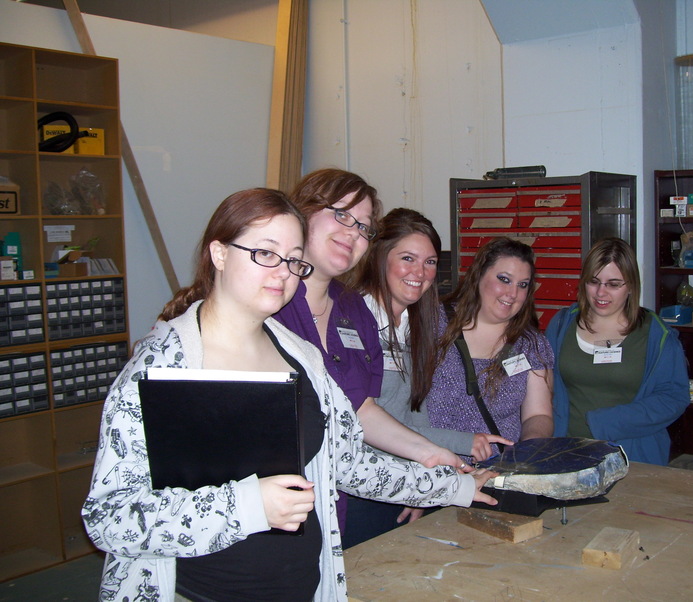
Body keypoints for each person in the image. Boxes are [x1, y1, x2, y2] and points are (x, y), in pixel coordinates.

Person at [82, 188, 496, 602]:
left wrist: (450, 487)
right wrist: (247, 506)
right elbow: (110, 517)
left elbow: (349, 462)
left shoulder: (301, 359)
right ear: (220, 254)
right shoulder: (165, 364)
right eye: (265, 253)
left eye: (293, 259)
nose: (282, 272)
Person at [274, 169, 467, 533]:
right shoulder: (269, 303)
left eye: (363, 226)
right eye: (342, 214)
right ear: (302, 212)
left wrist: (428, 455)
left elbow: (360, 409)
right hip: (272, 508)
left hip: (334, 506)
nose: (353, 233)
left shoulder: (352, 311)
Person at [342, 208, 512, 547]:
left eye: (430, 262)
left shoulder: (415, 323)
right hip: (358, 489)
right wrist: (459, 446)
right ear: (379, 257)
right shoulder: (351, 322)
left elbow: (413, 414)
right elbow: (365, 424)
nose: (420, 273)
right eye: (408, 258)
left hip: (403, 483)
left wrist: (425, 481)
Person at [544, 237, 690, 465]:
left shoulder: (656, 335)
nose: (601, 293)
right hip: (566, 451)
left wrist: (607, 423)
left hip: (632, 455)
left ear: (631, 286)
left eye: (613, 284)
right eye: (594, 282)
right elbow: (542, 385)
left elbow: (673, 397)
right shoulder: (562, 324)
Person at [425, 236, 555, 454]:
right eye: (504, 279)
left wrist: (529, 448)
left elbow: (538, 414)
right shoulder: (432, 324)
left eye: (522, 285)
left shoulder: (530, 344)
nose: (512, 294)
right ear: (478, 276)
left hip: (496, 472)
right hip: (433, 467)